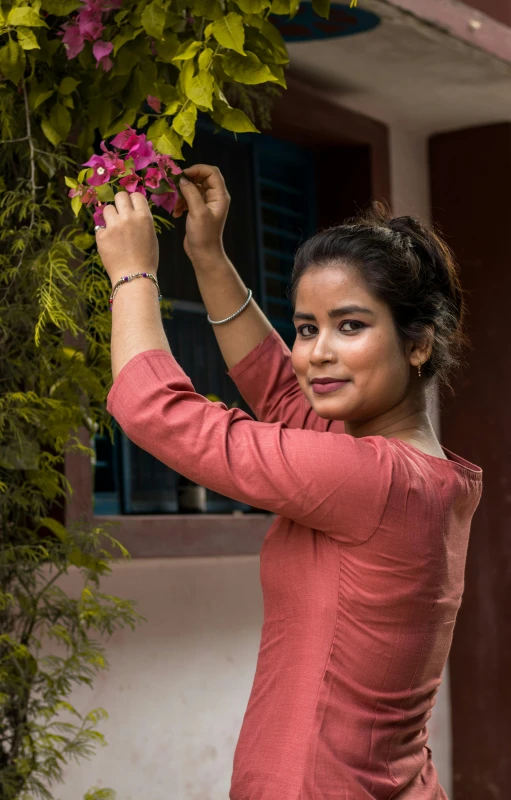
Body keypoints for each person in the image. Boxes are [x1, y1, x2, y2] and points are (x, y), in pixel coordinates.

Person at [99, 164, 482, 800]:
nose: (317, 353)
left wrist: (133, 274)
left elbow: (155, 412)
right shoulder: (418, 474)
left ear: (419, 344)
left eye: (351, 326)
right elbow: (280, 387)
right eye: (307, 328)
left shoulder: (369, 477)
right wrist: (208, 255)